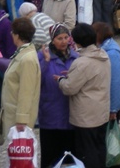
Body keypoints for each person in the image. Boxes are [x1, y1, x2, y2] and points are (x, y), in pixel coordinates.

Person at [56, 23, 111, 168]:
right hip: (101, 111)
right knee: (99, 148)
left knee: (87, 152)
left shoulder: (81, 62)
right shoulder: (103, 55)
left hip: (85, 116)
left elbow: (69, 88)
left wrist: (60, 80)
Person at [37, 23, 77, 168]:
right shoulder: (42, 56)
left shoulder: (75, 57)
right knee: (50, 158)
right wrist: (46, 63)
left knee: (69, 159)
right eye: (59, 38)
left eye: (66, 37)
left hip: (70, 115)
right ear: (52, 39)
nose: (63, 41)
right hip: (50, 116)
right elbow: (36, 82)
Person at [0, 17, 41, 138]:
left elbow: (26, 91)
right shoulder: (22, 54)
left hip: (18, 120)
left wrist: (21, 119)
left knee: (19, 155)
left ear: (17, 35)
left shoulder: (27, 59)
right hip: (13, 114)